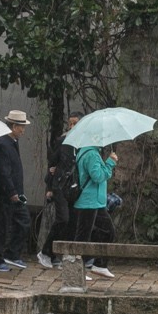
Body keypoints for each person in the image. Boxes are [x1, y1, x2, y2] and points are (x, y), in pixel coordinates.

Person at [0, 109, 31, 273]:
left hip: (16, 193)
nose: (23, 130)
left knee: (23, 221)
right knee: (0, 227)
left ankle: (12, 253)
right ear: (13, 126)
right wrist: (11, 192)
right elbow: (3, 172)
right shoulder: (2, 144)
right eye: (21, 127)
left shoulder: (12, 143)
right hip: (4, 195)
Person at [37, 113, 80, 268]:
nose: (72, 127)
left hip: (74, 187)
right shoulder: (63, 141)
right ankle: (45, 251)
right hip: (60, 185)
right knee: (63, 219)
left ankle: (56, 254)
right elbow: (52, 164)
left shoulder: (83, 143)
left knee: (71, 222)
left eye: (76, 123)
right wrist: (50, 186)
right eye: (70, 124)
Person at [71, 141, 117, 278]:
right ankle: (76, 270)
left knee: (108, 231)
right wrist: (110, 163)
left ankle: (100, 264)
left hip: (96, 202)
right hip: (88, 202)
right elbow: (97, 176)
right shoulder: (91, 154)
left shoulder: (90, 151)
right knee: (82, 237)